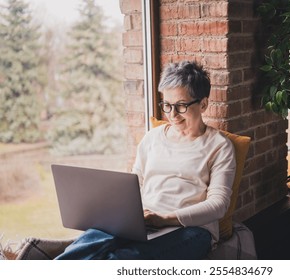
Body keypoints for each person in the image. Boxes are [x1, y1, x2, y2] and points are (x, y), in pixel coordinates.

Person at [55, 61, 236, 260]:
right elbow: (135, 182)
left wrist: (164, 219)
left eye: (181, 106)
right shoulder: (153, 138)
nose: (172, 115)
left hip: (192, 229)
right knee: (86, 243)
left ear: (203, 104)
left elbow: (218, 205)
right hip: (144, 221)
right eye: (167, 105)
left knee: (121, 258)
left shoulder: (219, 146)